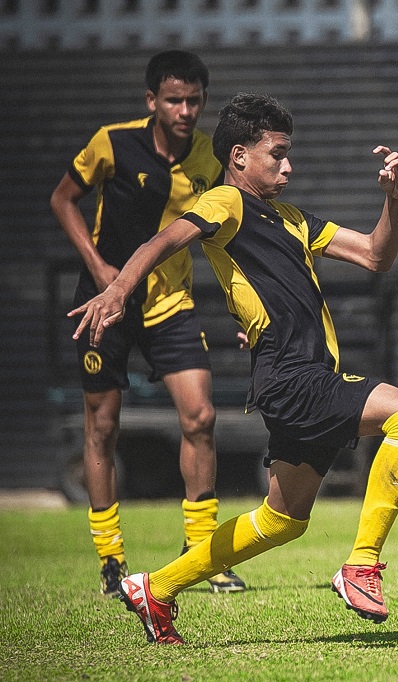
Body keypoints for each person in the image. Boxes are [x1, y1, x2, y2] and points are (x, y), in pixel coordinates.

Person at [69, 92, 398, 644]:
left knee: (281, 520)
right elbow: (166, 239)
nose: (288, 165)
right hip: (297, 378)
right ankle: (362, 564)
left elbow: (373, 256)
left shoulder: (291, 218)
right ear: (239, 156)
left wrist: (395, 201)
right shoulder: (226, 202)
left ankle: (156, 588)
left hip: (296, 377)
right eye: (277, 154)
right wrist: (119, 289)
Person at [50, 50, 246, 597]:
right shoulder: (112, 143)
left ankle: (202, 552)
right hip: (103, 302)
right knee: (103, 426)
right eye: (173, 99)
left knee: (201, 416)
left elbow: (228, 232)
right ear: (151, 102)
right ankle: (112, 559)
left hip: (170, 302)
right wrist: (98, 268)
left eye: (194, 100)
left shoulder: (213, 158)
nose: (184, 110)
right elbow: (62, 199)